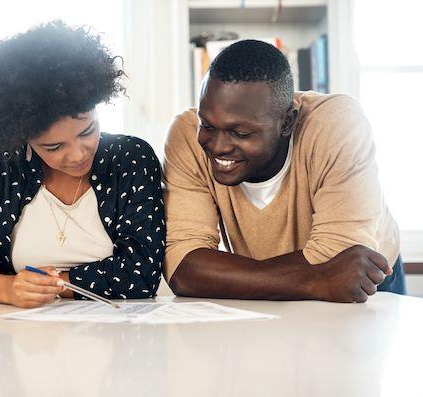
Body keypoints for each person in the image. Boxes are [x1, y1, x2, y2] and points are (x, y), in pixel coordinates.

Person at [163, 39, 405, 303]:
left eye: (240, 133)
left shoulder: (337, 124)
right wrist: (315, 279)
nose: (219, 146)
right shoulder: (185, 135)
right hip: (286, 286)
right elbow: (183, 267)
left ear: (287, 122)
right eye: (207, 126)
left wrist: (225, 275)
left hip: (368, 284)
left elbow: (341, 262)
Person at [0, 21, 165, 308]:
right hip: (15, 337)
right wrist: (9, 289)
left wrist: (55, 284)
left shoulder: (131, 158)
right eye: (53, 147)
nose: (77, 155)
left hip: (116, 336)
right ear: (20, 136)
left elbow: (141, 274)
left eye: (87, 131)